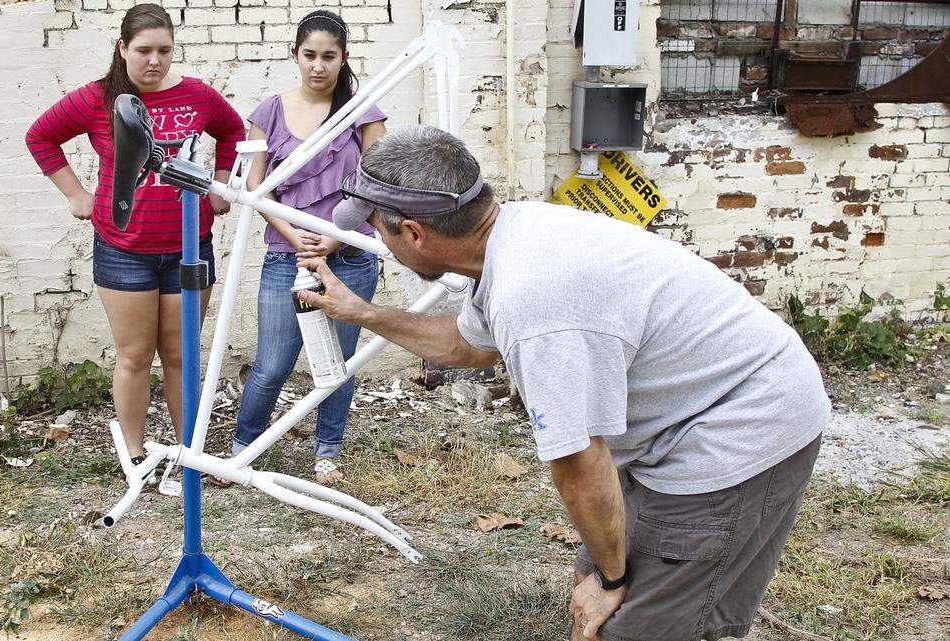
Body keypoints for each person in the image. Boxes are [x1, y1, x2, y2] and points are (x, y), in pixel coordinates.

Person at [297, 125, 832, 641]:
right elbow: (470, 344)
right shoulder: (513, 233)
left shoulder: (536, 297)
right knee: (590, 586)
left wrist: (615, 579)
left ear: (414, 233)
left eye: (376, 227)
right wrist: (363, 313)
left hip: (743, 420)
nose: (375, 239)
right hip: (685, 415)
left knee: (626, 624)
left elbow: (578, 459)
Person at [26, 3, 245, 468]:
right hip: (123, 249)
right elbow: (40, 137)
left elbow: (231, 131)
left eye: (165, 50)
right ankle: (135, 451)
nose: (155, 61)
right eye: (143, 50)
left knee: (181, 354)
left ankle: (191, 451)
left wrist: (221, 185)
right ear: (122, 48)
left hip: (189, 244)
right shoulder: (96, 99)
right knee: (134, 355)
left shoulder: (198, 97)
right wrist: (77, 195)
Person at [226, 10, 386, 486]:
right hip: (285, 254)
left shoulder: (363, 112)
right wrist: (294, 233)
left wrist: (336, 236)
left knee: (337, 360)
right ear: (294, 55)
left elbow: (377, 187)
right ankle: (243, 446)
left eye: (329, 57)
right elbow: (257, 188)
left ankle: (328, 450)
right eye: (310, 55)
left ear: (344, 59)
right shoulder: (267, 113)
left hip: (351, 254)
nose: (318, 66)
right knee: (273, 361)